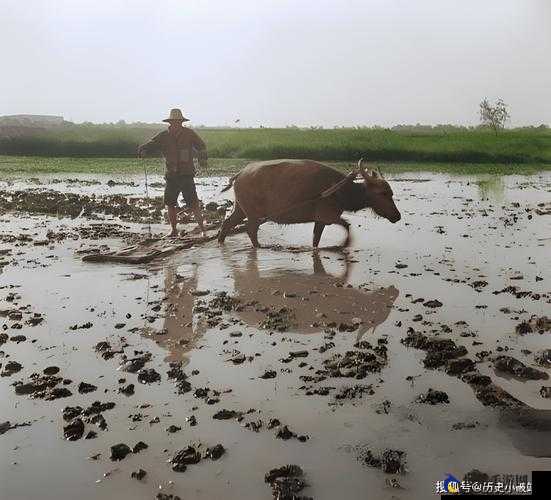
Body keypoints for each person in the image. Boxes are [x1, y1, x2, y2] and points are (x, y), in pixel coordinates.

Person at [138, 108, 206, 237]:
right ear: (170, 122)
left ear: (181, 122)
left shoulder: (189, 134)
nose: (176, 124)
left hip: (186, 174)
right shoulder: (163, 136)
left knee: (193, 203)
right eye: (174, 122)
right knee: (170, 203)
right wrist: (143, 149)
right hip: (171, 175)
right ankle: (173, 230)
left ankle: (203, 229)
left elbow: (201, 146)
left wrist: (202, 158)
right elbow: (151, 145)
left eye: (178, 121)